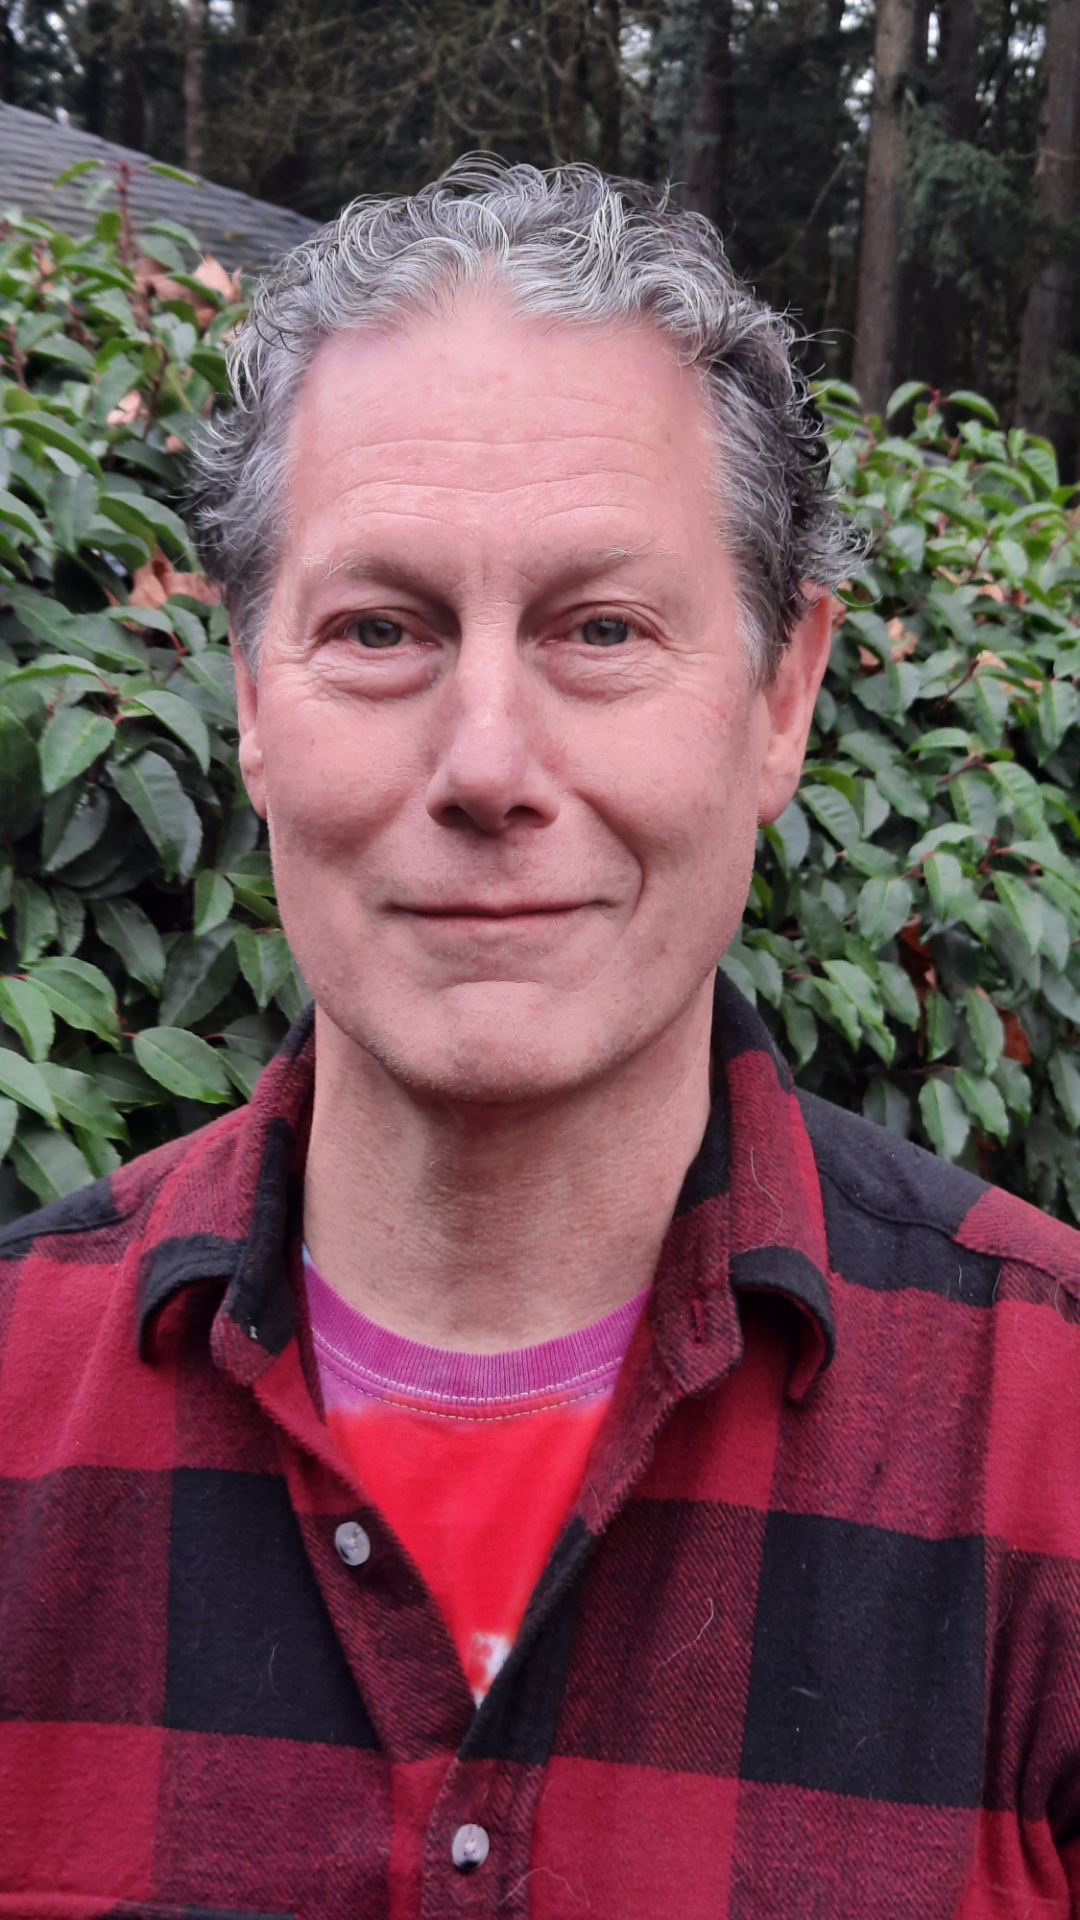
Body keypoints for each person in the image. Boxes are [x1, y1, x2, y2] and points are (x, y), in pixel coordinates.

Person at [2, 158, 1079, 1920]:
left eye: (602, 630)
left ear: (783, 697)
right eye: (378, 629)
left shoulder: (1051, 1447)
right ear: (252, 699)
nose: (487, 765)